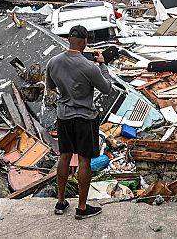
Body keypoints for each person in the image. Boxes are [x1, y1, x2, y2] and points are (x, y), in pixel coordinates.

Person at [45, 25, 112, 220]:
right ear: (85, 42)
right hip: (84, 118)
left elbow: (51, 86)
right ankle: (82, 207)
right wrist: (102, 65)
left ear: (68, 40)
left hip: (64, 116)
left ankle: (60, 202)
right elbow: (106, 88)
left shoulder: (53, 62)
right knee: (84, 160)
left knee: (64, 157)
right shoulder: (90, 67)